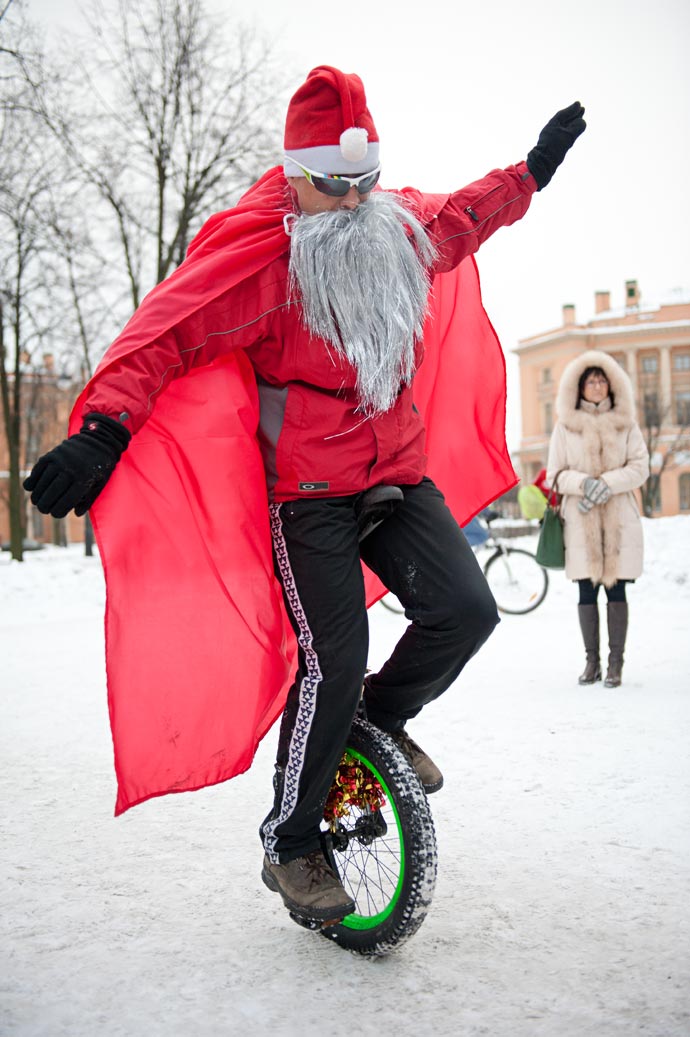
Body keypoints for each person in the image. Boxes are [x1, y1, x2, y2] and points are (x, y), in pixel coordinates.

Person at [24, 66, 586, 925]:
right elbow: (166, 334)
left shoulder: (398, 232)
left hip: (394, 472)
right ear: (295, 174)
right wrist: (104, 428)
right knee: (334, 650)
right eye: (333, 184)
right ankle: (290, 841)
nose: (353, 202)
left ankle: (379, 721)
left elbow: (468, 216)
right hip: (307, 495)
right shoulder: (265, 267)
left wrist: (531, 173)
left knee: (466, 609)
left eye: (365, 181)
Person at [545, 350, 649, 688]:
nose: (597, 385)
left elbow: (639, 467)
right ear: (578, 387)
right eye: (590, 380)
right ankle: (592, 662)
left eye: (602, 379)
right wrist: (584, 483)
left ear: (613, 385)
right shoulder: (565, 426)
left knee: (617, 591)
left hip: (619, 518)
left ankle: (616, 663)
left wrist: (608, 483)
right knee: (586, 592)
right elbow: (554, 475)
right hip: (581, 518)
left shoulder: (626, 424)